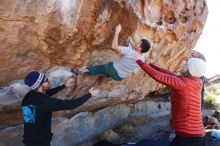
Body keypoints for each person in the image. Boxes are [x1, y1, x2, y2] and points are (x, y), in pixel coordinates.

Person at [133, 56, 207, 146]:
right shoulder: (197, 81)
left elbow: (158, 76)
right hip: (197, 134)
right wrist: (151, 65)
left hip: (188, 136)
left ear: (190, 69)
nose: (183, 65)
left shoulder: (184, 84)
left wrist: (138, 60)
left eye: (186, 65)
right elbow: (171, 75)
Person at [21, 71, 99, 146]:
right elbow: (71, 104)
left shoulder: (28, 96)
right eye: (47, 80)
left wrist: (64, 86)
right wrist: (89, 94)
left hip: (28, 140)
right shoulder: (45, 102)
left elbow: (45, 94)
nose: (49, 82)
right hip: (40, 143)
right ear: (41, 85)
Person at [72, 24, 151, 81]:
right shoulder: (142, 57)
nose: (137, 42)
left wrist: (117, 32)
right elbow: (137, 55)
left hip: (113, 70)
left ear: (140, 48)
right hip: (120, 77)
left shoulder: (129, 51)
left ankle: (79, 72)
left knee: (98, 68)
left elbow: (114, 46)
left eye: (139, 43)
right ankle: (107, 74)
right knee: (110, 69)